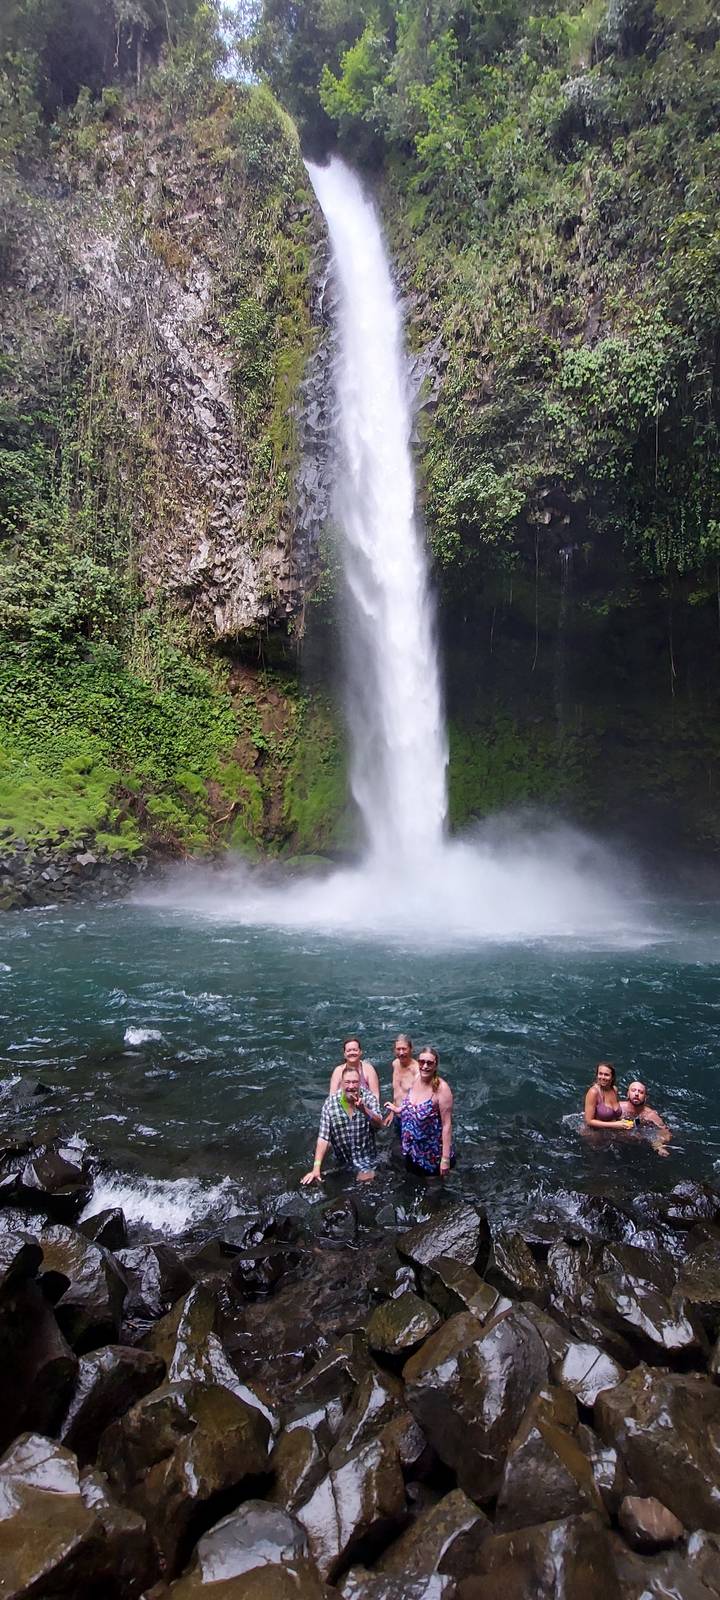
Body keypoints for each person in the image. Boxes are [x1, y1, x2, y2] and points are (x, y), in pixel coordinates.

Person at [302, 1063, 383, 1185]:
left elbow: (379, 1125)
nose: (351, 1086)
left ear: (360, 1083)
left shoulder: (369, 1098)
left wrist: (364, 1110)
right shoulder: (330, 1104)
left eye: (355, 1082)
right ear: (341, 1083)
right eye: (347, 1082)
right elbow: (324, 1137)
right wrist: (316, 1168)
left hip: (368, 1161)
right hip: (343, 1162)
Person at [385, 1046, 454, 1177]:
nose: (425, 1066)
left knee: (433, 1188)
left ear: (436, 1065)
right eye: (422, 1062)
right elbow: (412, 1104)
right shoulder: (416, 1078)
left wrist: (445, 1160)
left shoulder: (441, 1089)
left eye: (429, 1063)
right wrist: (397, 1109)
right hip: (412, 1148)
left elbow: (447, 1125)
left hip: (431, 1153)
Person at [620, 1081, 672, 1156]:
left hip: (639, 1144)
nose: (637, 1094)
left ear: (645, 1097)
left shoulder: (650, 1115)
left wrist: (658, 1145)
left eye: (641, 1092)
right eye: (633, 1090)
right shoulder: (619, 1107)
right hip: (619, 1140)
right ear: (628, 1094)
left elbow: (665, 1133)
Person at [583, 1062, 633, 1130]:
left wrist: (623, 1122)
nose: (602, 1077)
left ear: (612, 1077)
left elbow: (615, 1115)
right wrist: (615, 1125)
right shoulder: (593, 1092)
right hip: (595, 1134)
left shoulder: (614, 1089)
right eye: (600, 1074)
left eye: (606, 1075)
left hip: (612, 1131)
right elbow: (589, 1121)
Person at [384, 1034, 419, 1130]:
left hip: (411, 1118)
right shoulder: (395, 1064)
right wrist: (392, 1112)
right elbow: (397, 1092)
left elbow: (421, 1100)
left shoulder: (416, 1071)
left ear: (411, 1049)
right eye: (398, 1049)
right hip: (397, 1115)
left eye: (404, 1049)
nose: (401, 1052)